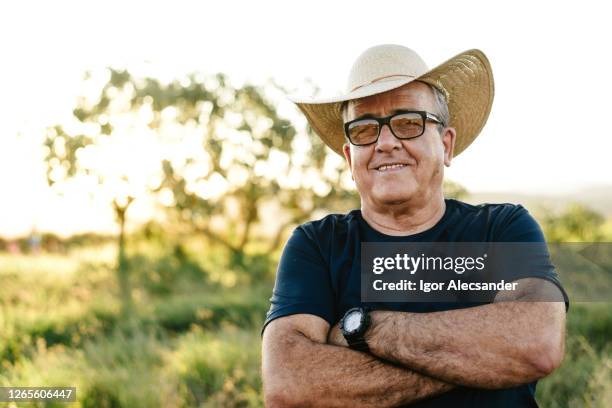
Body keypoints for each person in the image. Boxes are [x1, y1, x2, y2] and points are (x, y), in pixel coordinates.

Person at [261, 44, 568, 407]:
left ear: (446, 144)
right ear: (349, 157)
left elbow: (535, 344)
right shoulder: (316, 245)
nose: (386, 142)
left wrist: (361, 330)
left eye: (409, 122)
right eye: (363, 129)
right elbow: (289, 384)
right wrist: (480, 361)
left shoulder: (501, 228)